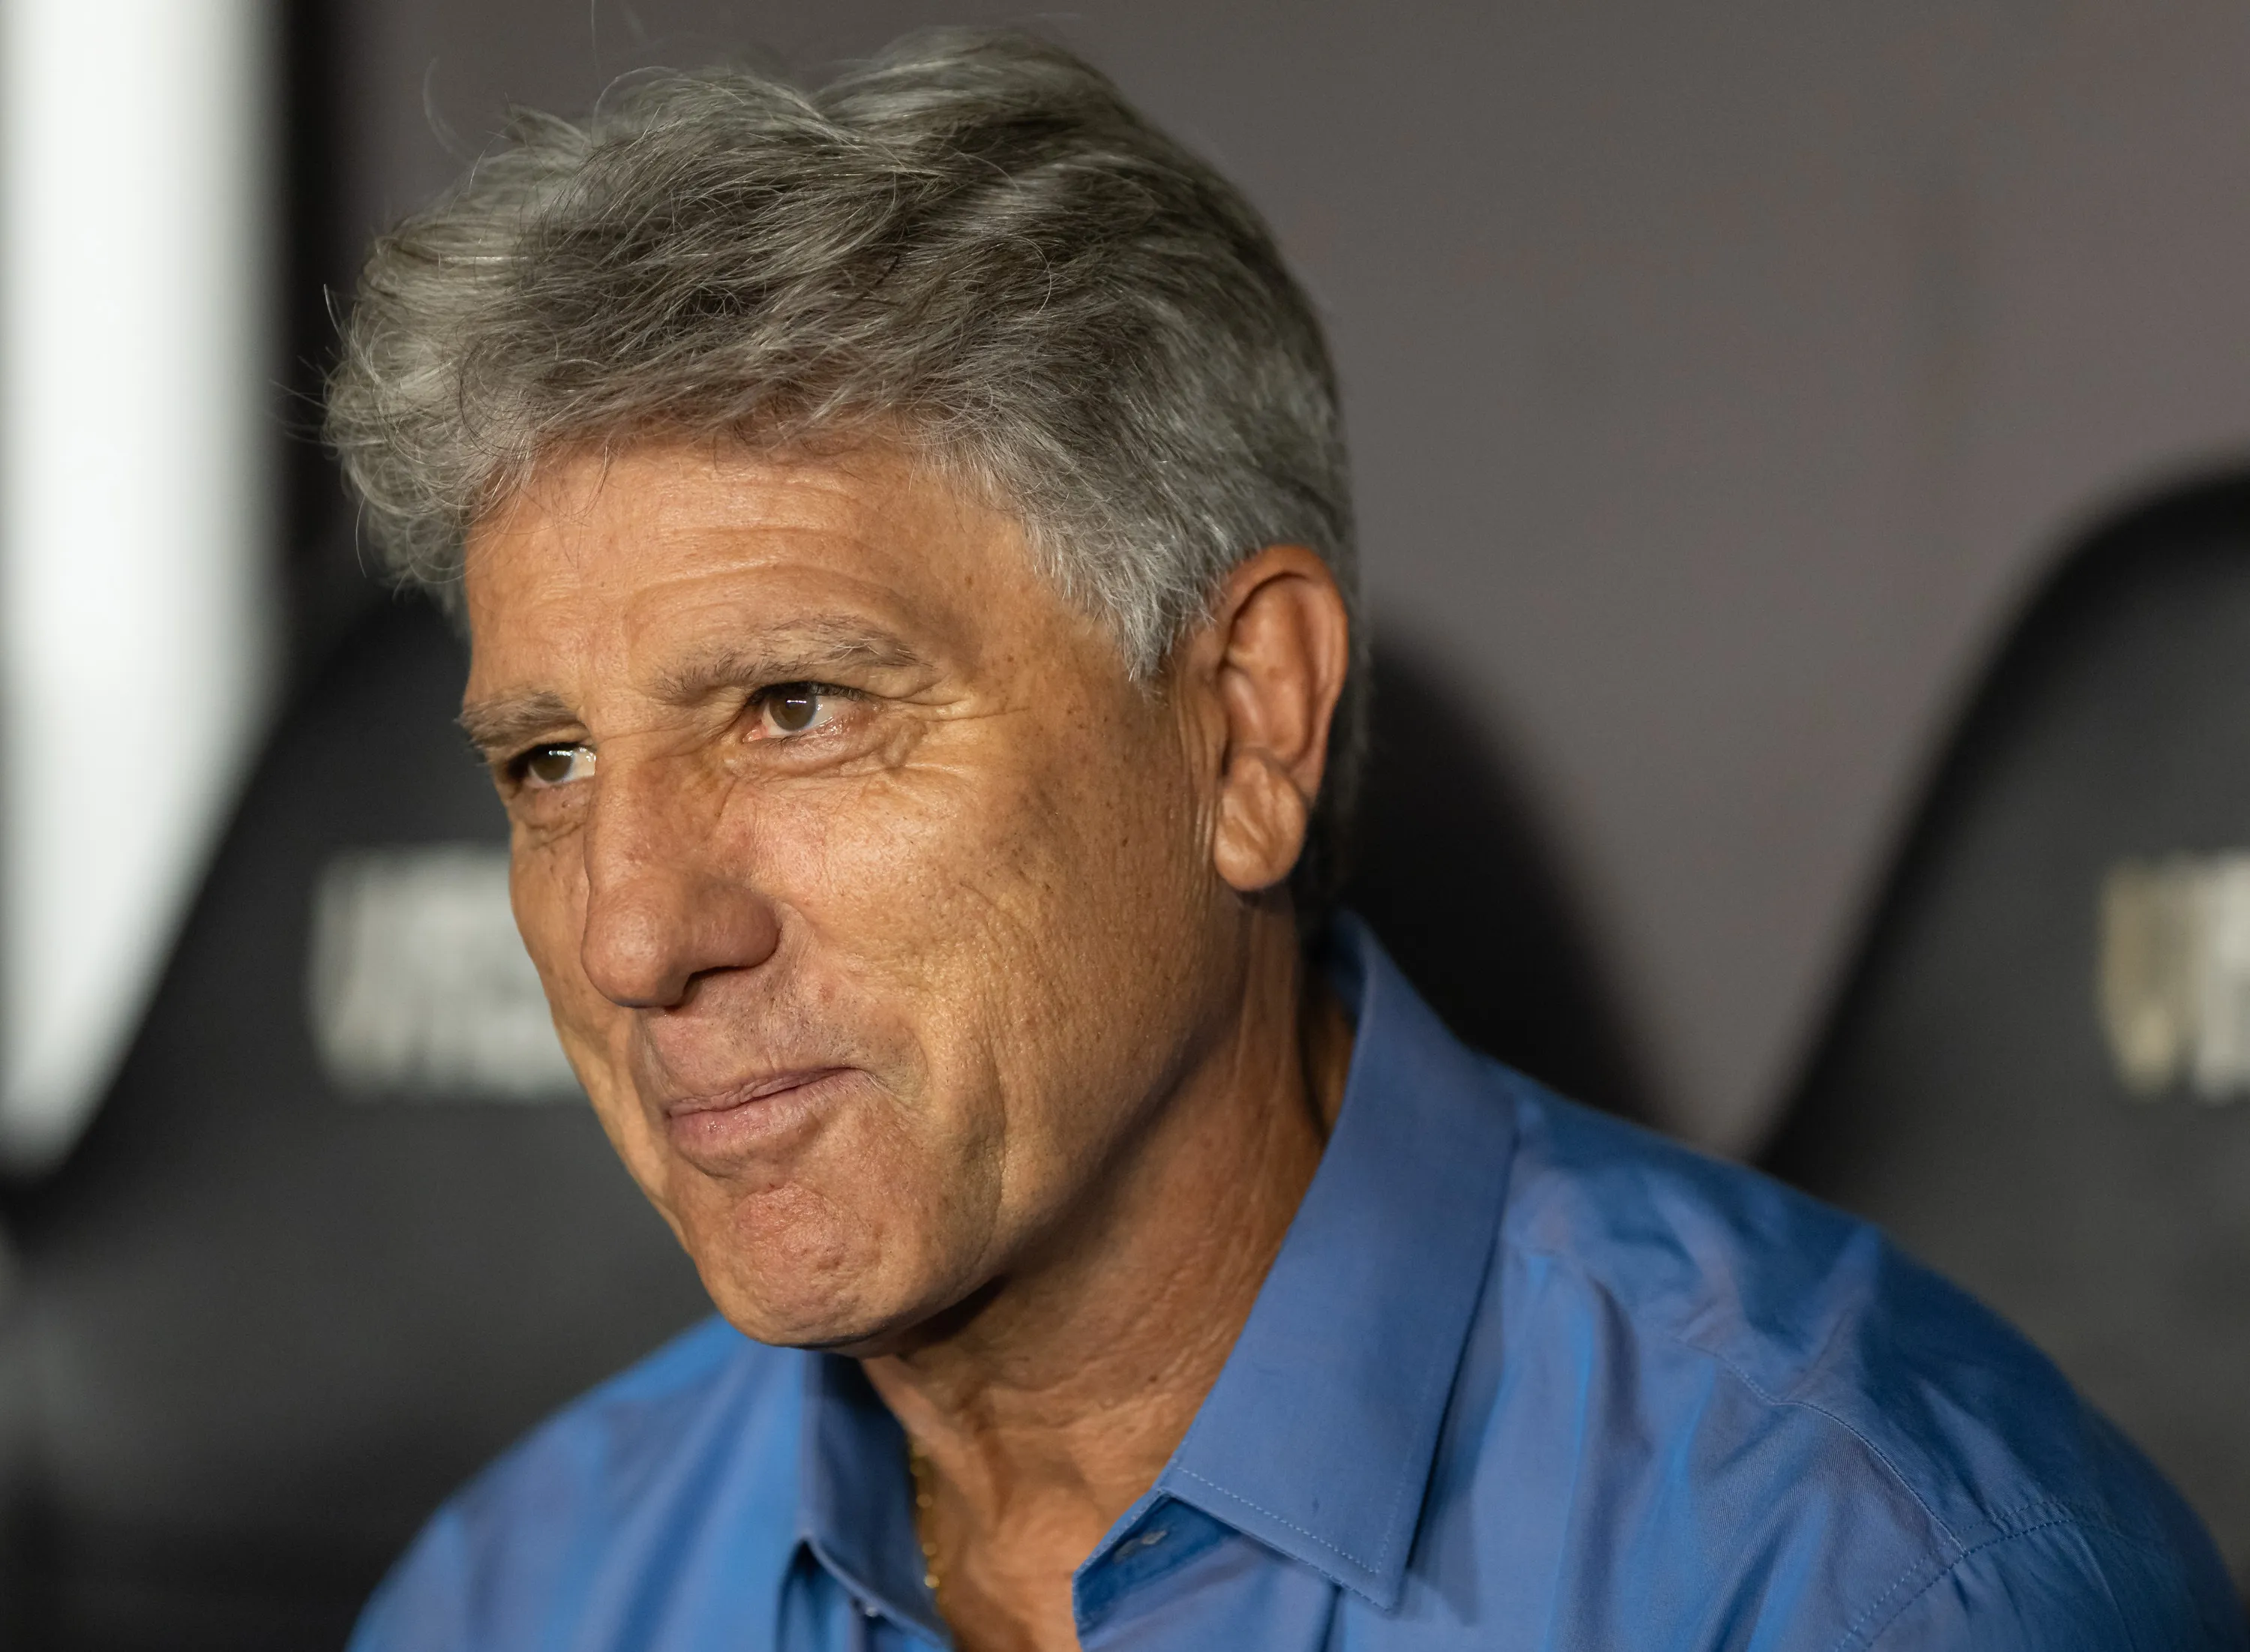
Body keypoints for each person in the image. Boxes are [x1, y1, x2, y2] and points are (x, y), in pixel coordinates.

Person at [326, 29, 2243, 1651]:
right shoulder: (520, 1594)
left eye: (799, 710)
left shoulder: (1865, 1578)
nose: (635, 933)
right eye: (551, 764)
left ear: (1249, 725)